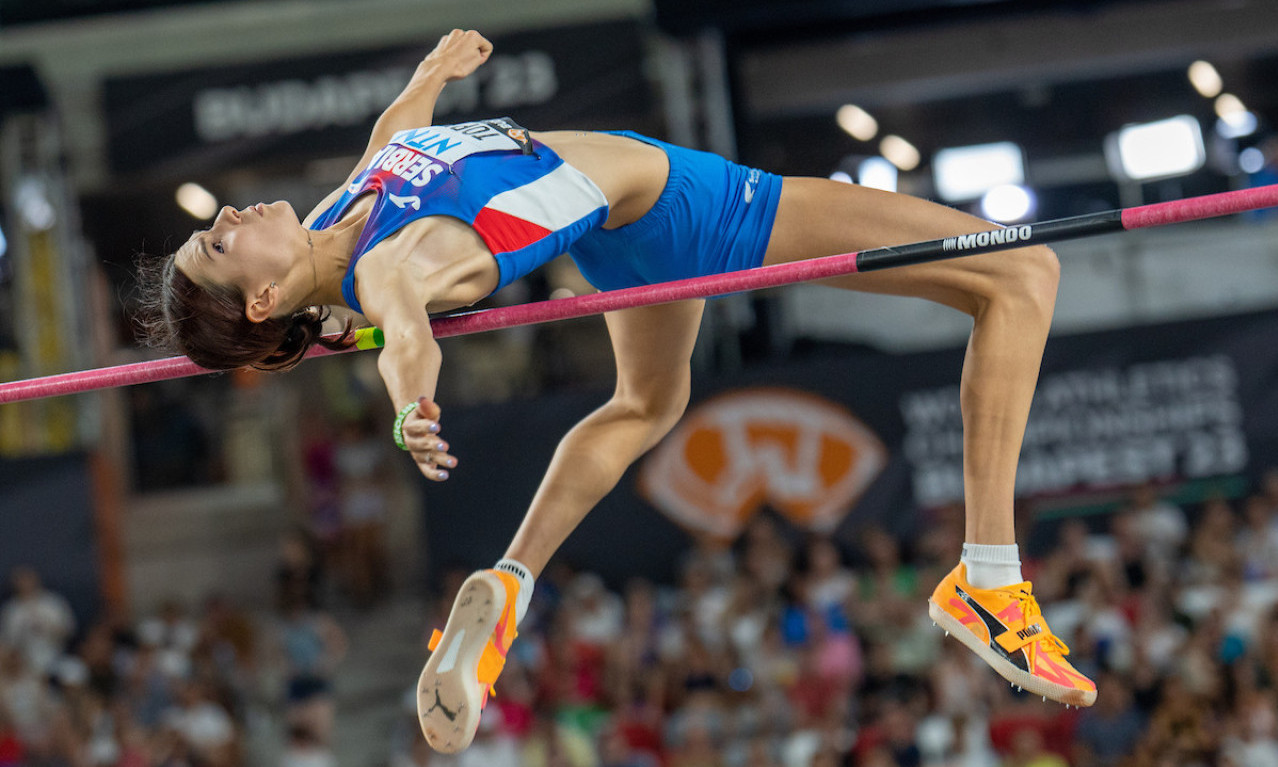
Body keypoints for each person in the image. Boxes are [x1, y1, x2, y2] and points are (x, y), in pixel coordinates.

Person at [136, 28, 1094, 753]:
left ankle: (509, 583)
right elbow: (408, 334)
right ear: (263, 297)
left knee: (646, 405)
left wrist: (433, 71)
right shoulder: (389, 265)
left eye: (210, 224)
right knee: (1021, 273)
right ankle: (991, 579)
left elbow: (395, 138)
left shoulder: (344, 216)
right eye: (218, 242)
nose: (224, 214)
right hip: (696, 208)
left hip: (619, 232)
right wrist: (409, 405)